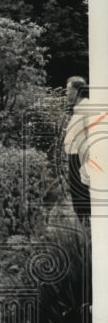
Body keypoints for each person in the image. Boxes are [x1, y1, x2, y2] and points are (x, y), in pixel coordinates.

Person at [63, 76, 91, 219]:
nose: (66, 93)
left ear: (76, 91)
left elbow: (86, 140)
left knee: (82, 202)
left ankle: (89, 237)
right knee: (79, 201)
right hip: (75, 159)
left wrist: (84, 168)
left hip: (80, 160)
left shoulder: (85, 109)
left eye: (68, 90)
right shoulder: (79, 109)